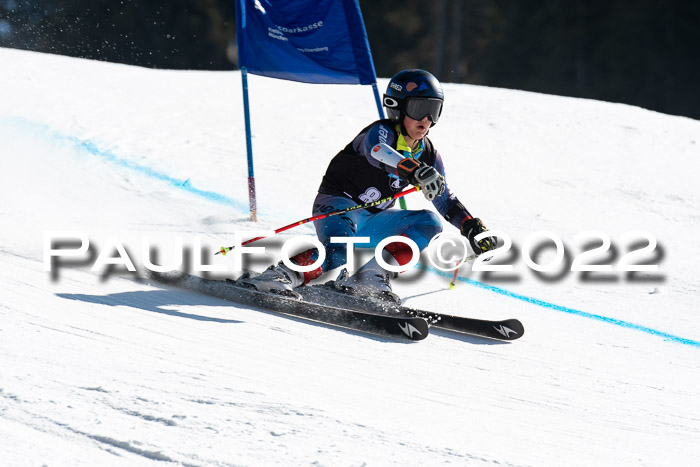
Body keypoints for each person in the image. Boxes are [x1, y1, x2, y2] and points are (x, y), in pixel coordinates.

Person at [238, 69, 495, 302]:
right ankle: (280, 276)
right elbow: (377, 152)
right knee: (338, 252)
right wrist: (414, 170)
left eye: (434, 111)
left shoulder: (428, 154)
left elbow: (444, 198)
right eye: (419, 109)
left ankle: (368, 279)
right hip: (338, 205)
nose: (426, 119)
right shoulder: (382, 132)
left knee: (429, 222)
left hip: (374, 219)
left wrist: (471, 227)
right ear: (398, 108)